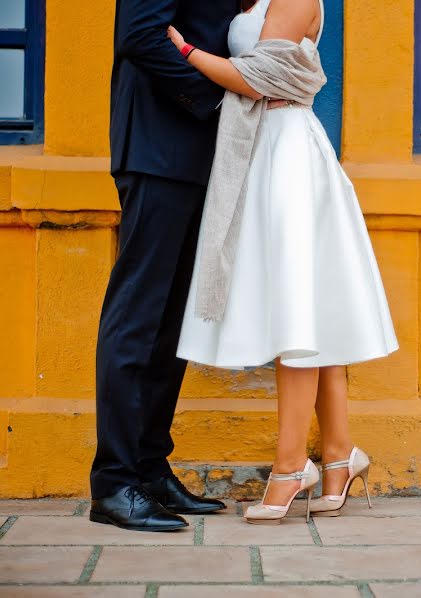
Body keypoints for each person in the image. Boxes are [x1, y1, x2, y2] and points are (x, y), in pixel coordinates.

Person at [169, 0, 398, 524]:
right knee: (307, 312)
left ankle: (293, 467)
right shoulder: (250, 1)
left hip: (289, 152)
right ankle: (339, 457)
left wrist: (182, 47)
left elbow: (256, 79)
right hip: (259, 149)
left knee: (295, 310)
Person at [88, 0, 242, 532]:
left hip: (198, 155)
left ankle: (150, 469)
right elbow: (140, 35)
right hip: (156, 146)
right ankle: (114, 482)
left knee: (171, 323)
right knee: (138, 315)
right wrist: (217, 99)